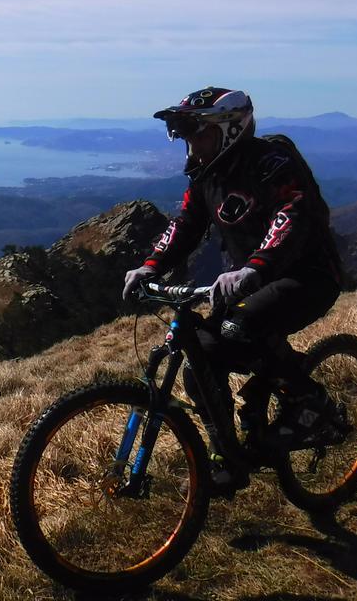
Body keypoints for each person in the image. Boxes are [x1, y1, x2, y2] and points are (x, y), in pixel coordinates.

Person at [121, 87, 345, 492]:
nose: (191, 144)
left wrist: (256, 267)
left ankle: (310, 403)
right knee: (201, 358)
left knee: (241, 326)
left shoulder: (270, 161)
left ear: (230, 130)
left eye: (199, 134)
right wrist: (150, 265)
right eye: (186, 136)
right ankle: (227, 455)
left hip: (307, 275)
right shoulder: (207, 177)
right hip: (250, 281)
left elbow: (293, 211)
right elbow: (186, 224)